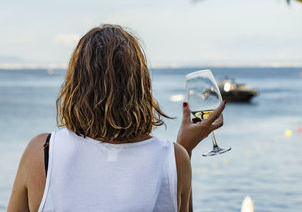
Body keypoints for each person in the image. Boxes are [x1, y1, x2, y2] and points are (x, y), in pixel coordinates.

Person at [7, 24, 225, 212]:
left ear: (75, 85)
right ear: (140, 85)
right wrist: (184, 150)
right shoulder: (174, 159)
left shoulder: (41, 152)